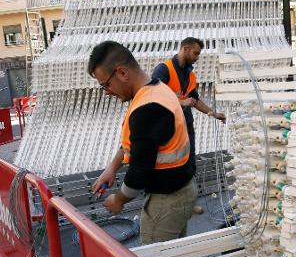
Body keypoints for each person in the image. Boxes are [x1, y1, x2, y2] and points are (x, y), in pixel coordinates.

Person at [90, 41, 197, 244]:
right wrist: (112, 167)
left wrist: (118, 201)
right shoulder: (156, 89)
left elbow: (139, 173)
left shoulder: (147, 109)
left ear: (122, 73)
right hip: (181, 192)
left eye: (106, 85)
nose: (107, 92)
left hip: (167, 200)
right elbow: (138, 143)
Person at [152, 37, 226, 177]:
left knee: (189, 163)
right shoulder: (164, 70)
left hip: (186, 124)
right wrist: (181, 102)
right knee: (173, 165)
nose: (197, 58)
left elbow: (195, 100)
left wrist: (214, 114)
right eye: (195, 53)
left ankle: (189, 187)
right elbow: (153, 98)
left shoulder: (190, 75)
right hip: (168, 126)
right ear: (185, 49)